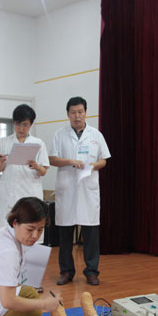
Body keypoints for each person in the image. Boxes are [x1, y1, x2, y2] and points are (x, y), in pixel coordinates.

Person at [49, 97, 111, 286]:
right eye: (73, 112)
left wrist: (93, 166)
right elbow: (52, 159)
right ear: (68, 114)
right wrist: (70, 161)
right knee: (65, 235)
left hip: (87, 189)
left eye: (80, 112)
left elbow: (104, 160)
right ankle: (66, 271)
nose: (77, 116)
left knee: (90, 234)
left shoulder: (96, 135)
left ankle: (91, 272)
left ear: (86, 113)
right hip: (67, 189)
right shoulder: (60, 134)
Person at [0, 104, 50, 231]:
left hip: (29, 191)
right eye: (18, 124)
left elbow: (43, 171)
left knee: (29, 228)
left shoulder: (38, 143)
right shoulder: (4, 142)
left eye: (25, 125)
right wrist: (1, 161)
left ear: (31, 124)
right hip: (8, 193)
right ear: (14, 123)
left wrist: (36, 166)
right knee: (6, 230)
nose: (21, 128)